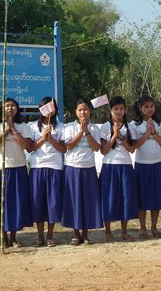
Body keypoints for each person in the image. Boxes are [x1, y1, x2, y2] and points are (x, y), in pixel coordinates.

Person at [0, 98, 33, 248]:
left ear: (17, 109)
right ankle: (3, 237)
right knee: (1, 204)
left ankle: (13, 237)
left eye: (13, 106)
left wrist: (13, 129)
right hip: (0, 169)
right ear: (2, 108)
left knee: (15, 203)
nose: (10, 108)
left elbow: (26, 146)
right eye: (7, 106)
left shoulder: (23, 126)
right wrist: (6, 130)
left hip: (18, 168)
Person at [61, 98, 102, 245]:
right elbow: (68, 146)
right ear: (75, 112)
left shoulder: (94, 128)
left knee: (87, 201)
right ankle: (75, 234)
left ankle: (85, 234)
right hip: (72, 168)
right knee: (74, 201)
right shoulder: (69, 127)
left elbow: (96, 148)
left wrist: (87, 132)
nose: (83, 112)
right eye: (80, 110)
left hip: (88, 168)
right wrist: (81, 132)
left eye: (85, 109)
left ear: (89, 111)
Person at [128, 95, 161, 239]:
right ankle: (142, 228)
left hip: (157, 164)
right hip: (142, 164)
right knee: (142, 198)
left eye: (151, 106)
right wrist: (146, 133)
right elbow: (134, 146)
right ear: (140, 108)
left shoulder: (160, 124)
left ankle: (154, 227)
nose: (149, 109)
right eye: (146, 107)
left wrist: (154, 133)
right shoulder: (134, 125)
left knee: (156, 197)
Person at [27, 97, 65, 247]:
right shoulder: (32, 127)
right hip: (37, 167)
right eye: (46, 107)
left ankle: (50, 235)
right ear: (41, 109)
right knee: (38, 202)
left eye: (52, 107)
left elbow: (63, 149)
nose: (49, 111)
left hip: (55, 167)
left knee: (53, 202)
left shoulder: (61, 127)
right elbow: (30, 148)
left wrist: (51, 139)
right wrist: (43, 138)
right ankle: (40, 235)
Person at [99, 96, 137, 242]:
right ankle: (108, 231)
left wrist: (121, 136)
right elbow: (103, 150)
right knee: (109, 197)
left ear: (125, 110)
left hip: (126, 166)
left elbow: (131, 149)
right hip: (109, 166)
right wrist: (114, 136)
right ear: (110, 110)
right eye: (115, 109)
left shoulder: (130, 127)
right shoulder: (104, 127)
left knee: (125, 197)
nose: (119, 111)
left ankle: (124, 231)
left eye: (121, 108)